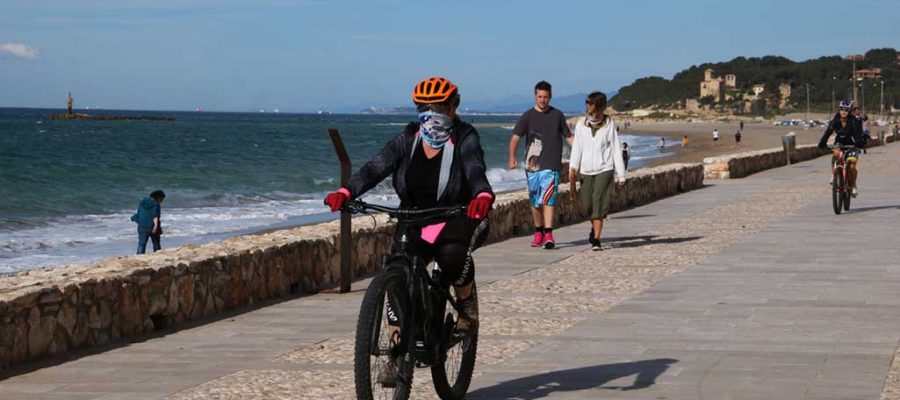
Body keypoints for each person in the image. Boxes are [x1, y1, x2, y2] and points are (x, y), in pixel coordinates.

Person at [323, 77, 492, 384]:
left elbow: (474, 167)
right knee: (397, 275)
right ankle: (395, 353)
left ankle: (467, 307)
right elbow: (376, 167)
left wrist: (481, 195)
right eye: (424, 108)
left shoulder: (465, 136)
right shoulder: (409, 138)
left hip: (458, 214)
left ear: (454, 107)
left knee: (452, 256)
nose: (432, 114)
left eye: (439, 107)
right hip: (415, 217)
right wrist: (347, 192)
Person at [508, 81, 573, 249]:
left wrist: (582, 152)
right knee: (535, 201)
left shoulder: (557, 115)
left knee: (549, 199)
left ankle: (549, 234)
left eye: (545, 97)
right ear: (535, 96)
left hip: (552, 165)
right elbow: (515, 137)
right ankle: (539, 232)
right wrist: (512, 158)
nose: (543, 100)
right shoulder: (527, 116)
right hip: (533, 167)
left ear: (550, 97)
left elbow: (568, 137)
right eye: (540, 97)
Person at [569, 92, 626, 251]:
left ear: (599, 106)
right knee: (587, 205)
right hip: (585, 170)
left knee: (599, 203)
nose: (587, 105)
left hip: (605, 169)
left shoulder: (609, 124)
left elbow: (615, 149)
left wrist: (621, 175)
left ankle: (596, 240)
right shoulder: (581, 124)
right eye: (586, 102)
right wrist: (573, 168)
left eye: (590, 103)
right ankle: (594, 228)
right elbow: (577, 148)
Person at [819, 100, 864, 197]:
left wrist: (859, 144)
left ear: (850, 111)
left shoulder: (853, 121)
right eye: (841, 109)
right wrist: (822, 143)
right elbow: (828, 132)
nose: (843, 112)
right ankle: (834, 174)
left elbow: (857, 135)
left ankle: (853, 185)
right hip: (839, 141)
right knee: (836, 154)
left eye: (846, 110)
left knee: (852, 166)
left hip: (851, 143)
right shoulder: (835, 120)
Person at [131, 190, 165, 254]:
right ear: (158, 198)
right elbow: (155, 216)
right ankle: (157, 255)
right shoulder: (156, 205)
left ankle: (139, 256)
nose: (162, 201)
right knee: (156, 243)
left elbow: (139, 213)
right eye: (162, 199)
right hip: (151, 226)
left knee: (142, 243)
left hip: (142, 225)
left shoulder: (142, 202)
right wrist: (155, 226)